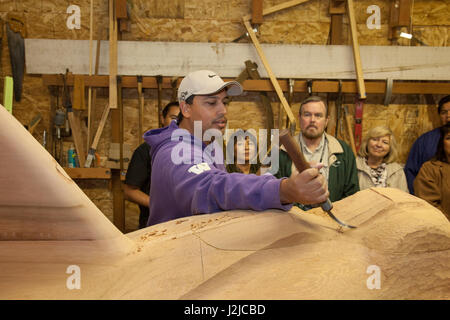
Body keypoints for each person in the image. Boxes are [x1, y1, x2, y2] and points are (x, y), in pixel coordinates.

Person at [143, 70, 329, 226]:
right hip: (172, 261)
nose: (223, 110)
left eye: (224, 102)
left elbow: (228, 183)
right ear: (186, 109)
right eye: (211, 103)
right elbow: (212, 188)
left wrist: (286, 182)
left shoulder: (210, 144)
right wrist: (284, 189)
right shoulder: (175, 152)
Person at [274, 95, 359, 209]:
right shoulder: (281, 151)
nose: (312, 120)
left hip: (331, 222)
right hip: (293, 221)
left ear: (326, 121)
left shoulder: (343, 151)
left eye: (318, 115)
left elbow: (352, 195)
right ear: (299, 118)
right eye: (307, 114)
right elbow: (275, 193)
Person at [123, 101, 180, 229]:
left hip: (185, 225)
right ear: (162, 119)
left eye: (180, 119)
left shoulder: (190, 151)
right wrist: (159, 205)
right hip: (154, 225)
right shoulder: (146, 150)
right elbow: (129, 191)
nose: (176, 123)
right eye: (173, 118)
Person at [404, 95, 450, 194]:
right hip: (428, 200)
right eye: (444, 112)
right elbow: (411, 171)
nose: (448, 115)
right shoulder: (425, 141)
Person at [414, 123, 450, 220]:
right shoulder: (429, 169)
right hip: (442, 230)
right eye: (449, 138)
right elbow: (429, 207)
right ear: (442, 143)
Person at [356, 126, 408, 193]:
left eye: (385, 142)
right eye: (375, 139)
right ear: (367, 142)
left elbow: (404, 198)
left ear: (390, 148)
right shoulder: (354, 167)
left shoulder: (397, 171)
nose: (379, 145)